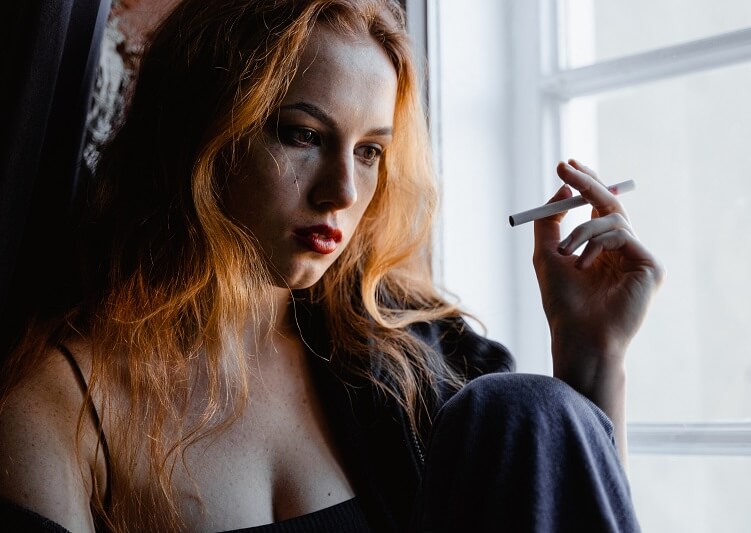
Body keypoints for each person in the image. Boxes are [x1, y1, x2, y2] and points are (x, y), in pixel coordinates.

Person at [0, 0, 664, 531]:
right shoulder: (60, 409)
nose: (343, 191)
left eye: (371, 151)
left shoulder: (420, 366)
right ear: (203, 133)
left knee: (529, 408)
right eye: (304, 136)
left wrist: (593, 359)